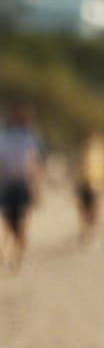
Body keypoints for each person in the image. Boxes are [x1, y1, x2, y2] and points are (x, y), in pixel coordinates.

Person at [0, 100, 44, 272]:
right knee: (7, 219)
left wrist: (37, 187)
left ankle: (18, 256)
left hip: (23, 184)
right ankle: (16, 246)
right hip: (7, 184)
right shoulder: (4, 135)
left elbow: (36, 163)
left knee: (22, 220)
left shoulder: (31, 136)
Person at [74, 130, 104, 244]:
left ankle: (92, 232)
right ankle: (85, 230)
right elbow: (79, 168)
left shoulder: (98, 150)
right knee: (82, 208)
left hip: (95, 183)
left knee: (94, 209)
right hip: (83, 183)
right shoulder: (82, 151)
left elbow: (102, 168)